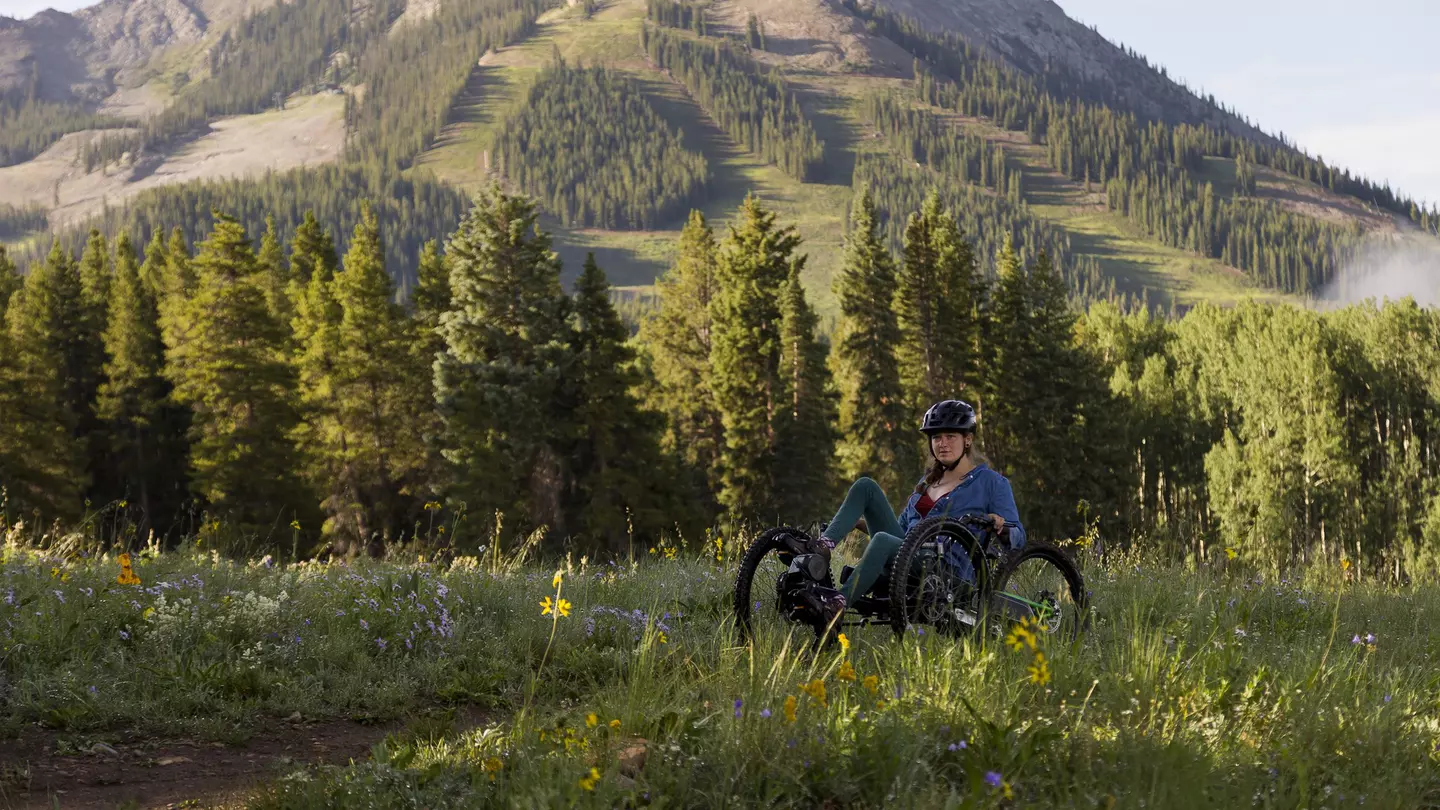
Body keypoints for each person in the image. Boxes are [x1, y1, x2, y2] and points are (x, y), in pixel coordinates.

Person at [798, 399, 1027, 628]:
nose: (942, 444)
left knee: (883, 541)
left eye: (950, 437)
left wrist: (1001, 526)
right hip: (911, 556)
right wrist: (856, 523)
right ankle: (822, 548)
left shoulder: (991, 483)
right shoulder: (926, 483)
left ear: (967, 440)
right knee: (865, 486)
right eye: (937, 437)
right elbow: (903, 533)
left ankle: (838, 604)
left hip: (947, 572)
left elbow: (1018, 537)